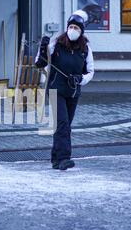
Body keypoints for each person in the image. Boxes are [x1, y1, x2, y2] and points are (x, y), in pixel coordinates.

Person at [35, 10, 95, 171]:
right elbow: (39, 63)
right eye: (71, 27)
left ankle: (55, 159)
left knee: (65, 125)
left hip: (73, 92)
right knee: (62, 124)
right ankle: (63, 158)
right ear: (67, 28)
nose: (73, 30)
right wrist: (43, 48)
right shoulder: (57, 44)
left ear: (81, 31)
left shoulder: (85, 49)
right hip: (56, 90)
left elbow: (90, 71)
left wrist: (79, 79)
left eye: (76, 28)